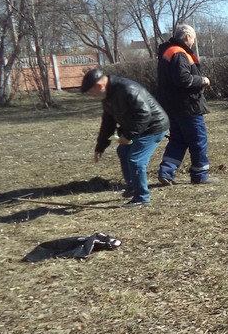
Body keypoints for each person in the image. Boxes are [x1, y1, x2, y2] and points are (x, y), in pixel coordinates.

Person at [81, 67, 170, 209]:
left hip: (153, 127)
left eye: (91, 93)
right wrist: (101, 146)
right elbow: (108, 122)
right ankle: (133, 186)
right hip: (138, 128)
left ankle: (142, 197)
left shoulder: (127, 89)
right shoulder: (108, 95)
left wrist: (128, 135)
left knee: (136, 159)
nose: (92, 96)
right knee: (123, 152)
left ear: (99, 86)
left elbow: (144, 114)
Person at [155, 23, 216, 185]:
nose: (194, 43)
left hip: (172, 106)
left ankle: (166, 172)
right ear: (187, 37)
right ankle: (200, 175)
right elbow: (183, 79)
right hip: (187, 106)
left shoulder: (168, 52)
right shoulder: (179, 53)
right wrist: (202, 80)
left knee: (178, 140)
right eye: (193, 39)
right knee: (198, 139)